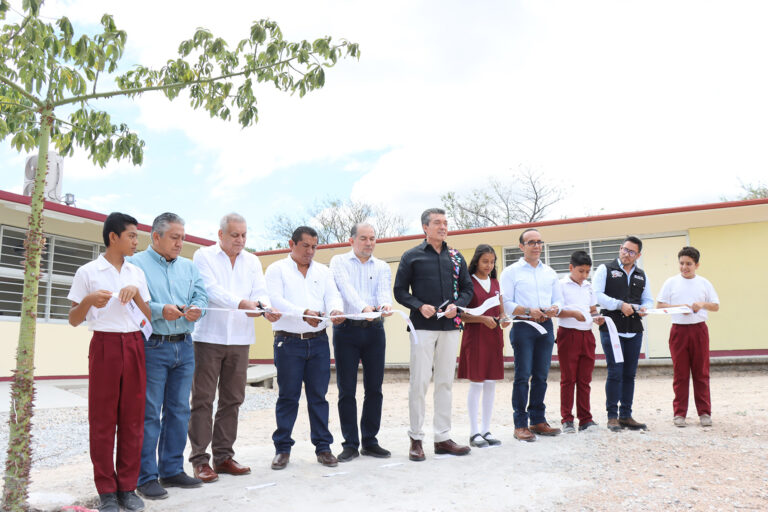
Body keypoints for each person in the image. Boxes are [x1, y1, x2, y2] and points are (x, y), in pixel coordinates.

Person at [188, 213, 281, 483]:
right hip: (208, 337)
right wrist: (243, 304)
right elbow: (210, 290)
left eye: (244, 235)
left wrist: (264, 308)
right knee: (203, 400)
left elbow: (260, 291)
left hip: (240, 339)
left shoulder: (252, 261)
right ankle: (199, 460)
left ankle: (224, 456)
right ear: (220, 234)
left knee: (232, 399)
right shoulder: (203, 256)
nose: (240, 240)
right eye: (234, 235)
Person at [67, 212, 151, 512]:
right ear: (113, 237)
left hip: (134, 345)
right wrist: (89, 301)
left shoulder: (137, 273)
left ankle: (127, 488)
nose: (135, 241)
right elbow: (74, 319)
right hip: (104, 345)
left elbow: (147, 319)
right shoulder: (88, 271)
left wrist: (138, 295)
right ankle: (106, 490)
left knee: (132, 418)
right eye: (131, 235)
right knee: (103, 420)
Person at [129, 212, 208, 500]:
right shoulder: (135, 265)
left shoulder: (189, 267)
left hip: (185, 345)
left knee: (179, 411)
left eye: (183, 238)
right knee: (149, 413)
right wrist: (162, 309)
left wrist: (199, 308)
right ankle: (145, 476)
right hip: (153, 346)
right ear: (156, 236)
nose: (180, 243)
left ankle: (172, 469)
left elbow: (201, 296)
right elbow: (134, 303)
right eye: (175, 238)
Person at [393, 207, 474, 461]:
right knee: (419, 383)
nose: (443, 226)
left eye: (445, 222)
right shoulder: (411, 256)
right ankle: (416, 439)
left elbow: (468, 289)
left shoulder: (456, 256)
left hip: (450, 328)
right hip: (423, 328)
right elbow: (399, 291)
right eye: (437, 223)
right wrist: (418, 305)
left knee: (445, 383)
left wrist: (456, 305)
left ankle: (443, 438)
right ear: (425, 228)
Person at [264, 226, 345, 470]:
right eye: (305, 246)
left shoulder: (323, 271)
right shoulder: (276, 269)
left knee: (318, 397)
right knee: (288, 397)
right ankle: (282, 449)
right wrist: (303, 313)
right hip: (288, 341)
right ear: (292, 244)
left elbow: (332, 296)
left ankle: (323, 447)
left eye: (314, 246)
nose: (310, 251)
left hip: (319, 341)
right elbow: (276, 300)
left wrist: (335, 310)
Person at [329, 223, 393, 462]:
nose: (369, 243)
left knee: (374, 388)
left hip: (375, 331)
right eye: (364, 238)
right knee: (347, 390)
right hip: (347, 331)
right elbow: (346, 291)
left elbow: (383, 292)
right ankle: (350, 443)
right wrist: (365, 309)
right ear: (352, 240)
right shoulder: (339, 262)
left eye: (373, 238)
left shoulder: (383, 266)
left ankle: (370, 441)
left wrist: (385, 306)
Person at [500, 228, 564, 442]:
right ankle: (520, 424)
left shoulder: (550, 272)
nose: (536, 246)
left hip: (545, 326)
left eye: (539, 242)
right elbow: (506, 302)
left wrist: (555, 307)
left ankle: (538, 420)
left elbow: (559, 299)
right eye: (531, 242)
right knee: (522, 376)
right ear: (521, 246)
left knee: (541, 376)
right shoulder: (511, 272)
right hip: (524, 327)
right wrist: (528, 310)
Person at [593, 236, 653, 432]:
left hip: (634, 330)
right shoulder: (605, 269)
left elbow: (648, 300)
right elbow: (597, 295)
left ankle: (626, 415)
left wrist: (645, 308)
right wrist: (619, 305)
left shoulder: (642, 275)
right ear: (620, 249)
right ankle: (612, 416)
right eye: (624, 249)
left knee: (629, 374)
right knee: (615, 372)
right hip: (612, 328)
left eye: (631, 252)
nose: (626, 254)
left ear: (638, 255)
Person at [656, 246, 719, 428]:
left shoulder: (704, 283)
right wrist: (679, 307)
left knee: (701, 373)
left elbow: (715, 306)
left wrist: (702, 304)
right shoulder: (671, 282)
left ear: (697, 265)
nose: (685, 267)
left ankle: (705, 413)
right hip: (679, 332)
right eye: (682, 263)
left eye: (689, 264)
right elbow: (660, 305)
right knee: (681, 374)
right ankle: (679, 414)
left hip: (699, 331)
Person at [457, 244, 510, 447]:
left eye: (492, 261)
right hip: (476, 337)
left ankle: (486, 430)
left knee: (490, 384)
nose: (489, 265)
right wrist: (482, 320)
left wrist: (504, 319)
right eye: (485, 261)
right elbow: (461, 315)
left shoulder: (496, 283)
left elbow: (501, 311)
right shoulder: (468, 282)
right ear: (476, 261)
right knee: (477, 383)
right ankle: (474, 433)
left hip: (494, 336)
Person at [556, 250, 604, 434]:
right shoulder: (561, 285)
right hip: (568, 334)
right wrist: (573, 314)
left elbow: (592, 309)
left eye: (587, 272)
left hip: (587, 335)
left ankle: (585, 418)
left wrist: (597, 318)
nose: (584, 275)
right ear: (571, 268)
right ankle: (567, 419)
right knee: (568, 379)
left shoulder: (589, 287)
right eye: (581, 271)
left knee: (585, 379)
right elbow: (556, 310)